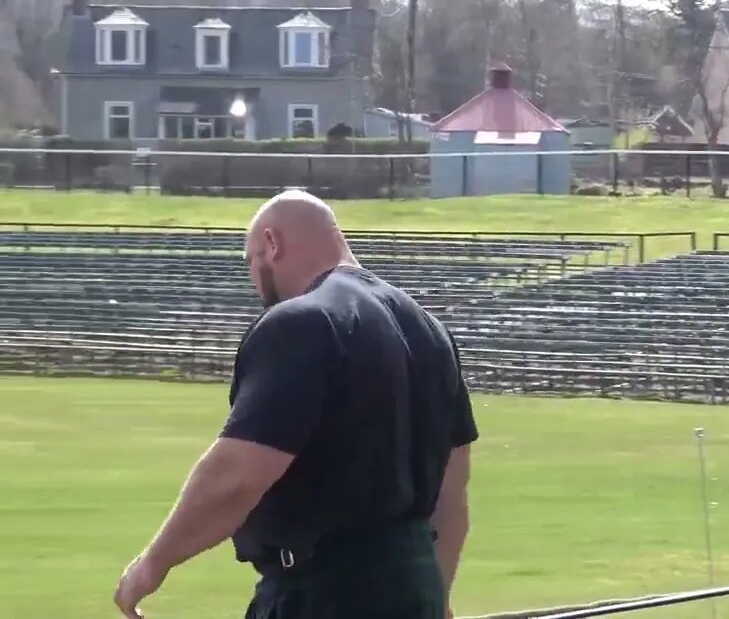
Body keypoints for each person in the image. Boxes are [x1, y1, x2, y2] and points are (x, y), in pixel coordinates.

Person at [113, 189, 477, 619]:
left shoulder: (301, 322)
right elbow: (451, 496)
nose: (253, 277)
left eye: (250, 259)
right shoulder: (431, 331)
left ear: (272, 243)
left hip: (324, 593)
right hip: (415, 588)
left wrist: (151, 564)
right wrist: (436, 597)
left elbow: (238, 475)